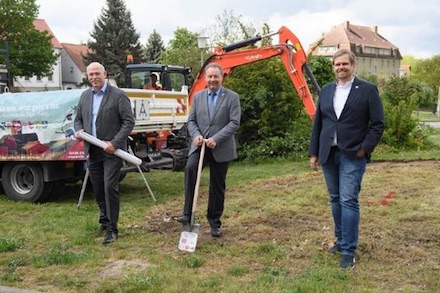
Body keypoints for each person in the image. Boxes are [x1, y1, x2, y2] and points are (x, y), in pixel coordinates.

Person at [308, 49, 384, 268]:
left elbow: (378, 123)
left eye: (344, 64)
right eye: (337, 64)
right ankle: (341, 241)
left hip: (353, 154)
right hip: (328, 153)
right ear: (333, 67)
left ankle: (349, 251)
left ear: (354, 66)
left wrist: (365, 148)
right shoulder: (326, 90)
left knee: (348, 200)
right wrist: (313, 152)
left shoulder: (367, 90)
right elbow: (319, 124)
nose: (340, 67)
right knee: (334, 198)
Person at [175, 63, 241, 238]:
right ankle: (187, 214)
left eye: (215, 77)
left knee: (217, 185)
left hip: (221, 146)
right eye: (209, 77)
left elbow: (234, 123)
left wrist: (216, 139)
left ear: (221, 78)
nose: (212, 80)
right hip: (200, 144)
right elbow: (191, 121)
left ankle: (214, 222)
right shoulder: (198, 97)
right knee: (190, 169)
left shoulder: (232, 97)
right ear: (205, 78)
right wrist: (196, 135)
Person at [74, 62, 135, 244]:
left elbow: (128, 122)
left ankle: (112, 229)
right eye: (90, 74)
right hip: (93, 150)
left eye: (97, 74)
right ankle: (104, 220)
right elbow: (78, 119)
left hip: (112, 152)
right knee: (98, 188)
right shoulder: (85, 96)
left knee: (109, 187)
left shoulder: (118, 96)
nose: (94, 77)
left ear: (105, 74)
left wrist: (114, 144)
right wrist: (79, 131)